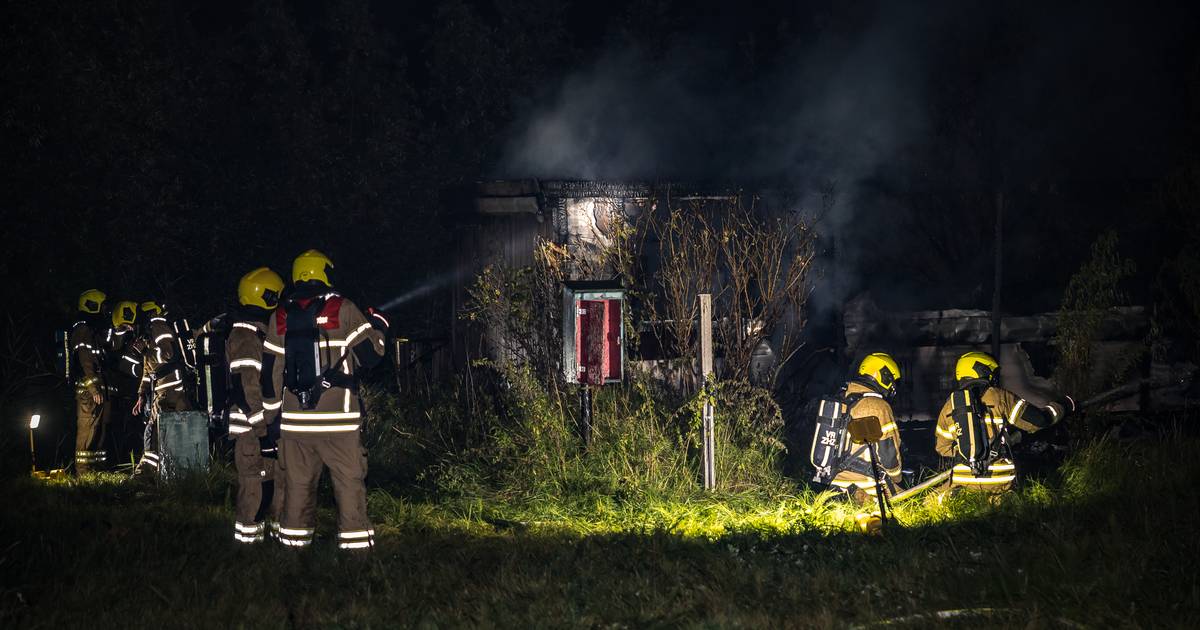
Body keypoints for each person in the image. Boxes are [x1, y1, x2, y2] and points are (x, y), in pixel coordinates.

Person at [264, 250, 388, 550]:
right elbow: (372, 356)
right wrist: (380, 326)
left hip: (295, 425)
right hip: (339, 424)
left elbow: (269, 375)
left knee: (297, 488)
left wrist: (271, 421)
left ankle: (293, 552)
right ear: (323, 272)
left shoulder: (279, 316)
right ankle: (357, 556)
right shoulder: (343, 308)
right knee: (348, 485)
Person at [934, 351, 1070, 492]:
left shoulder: (949, 406)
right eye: (992, 372)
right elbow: (1039, 421)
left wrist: (969, 448)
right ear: (982, 370)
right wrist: (1063, 406)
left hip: (963, 481)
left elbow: (942, 448)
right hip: (999, 480)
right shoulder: (999, 396)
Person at [225, 267, 286, 543]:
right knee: (253, 488)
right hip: (252, 433)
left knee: (272, 486)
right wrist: (264, 431)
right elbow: (248, 389)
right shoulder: (246, 337)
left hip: (262, 430)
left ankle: (271, 544)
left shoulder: (257, 333)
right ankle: (247, 550)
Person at [826, 352, 904, 503]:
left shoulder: (840, 401)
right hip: (869, 486)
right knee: (911, 507)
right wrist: (897, 478)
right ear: (885, 376)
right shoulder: (878, 406)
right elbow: (888, 455)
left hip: (833, 484)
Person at [127, 301, 193, 477]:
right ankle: (165, 475)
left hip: (171, 391)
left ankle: (145, 475)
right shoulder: (149, 333)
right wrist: (141, 394)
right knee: (158, 432)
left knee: (153, 432)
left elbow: (168, 354)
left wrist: (145, 352)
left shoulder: (158, 326)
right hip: (163, 391)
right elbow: (149, 371)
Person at [70, 289, 112, 475]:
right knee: (87, 430)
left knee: (97, 430)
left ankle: (95, 470)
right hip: (88, 392)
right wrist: (93, 388)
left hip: (96, 390)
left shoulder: (91, 331)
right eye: (102, 306)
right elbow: (84, 361)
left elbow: (105, 347)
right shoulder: (82, 330)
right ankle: (83, 471)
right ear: (93, 306)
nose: (105, 310)